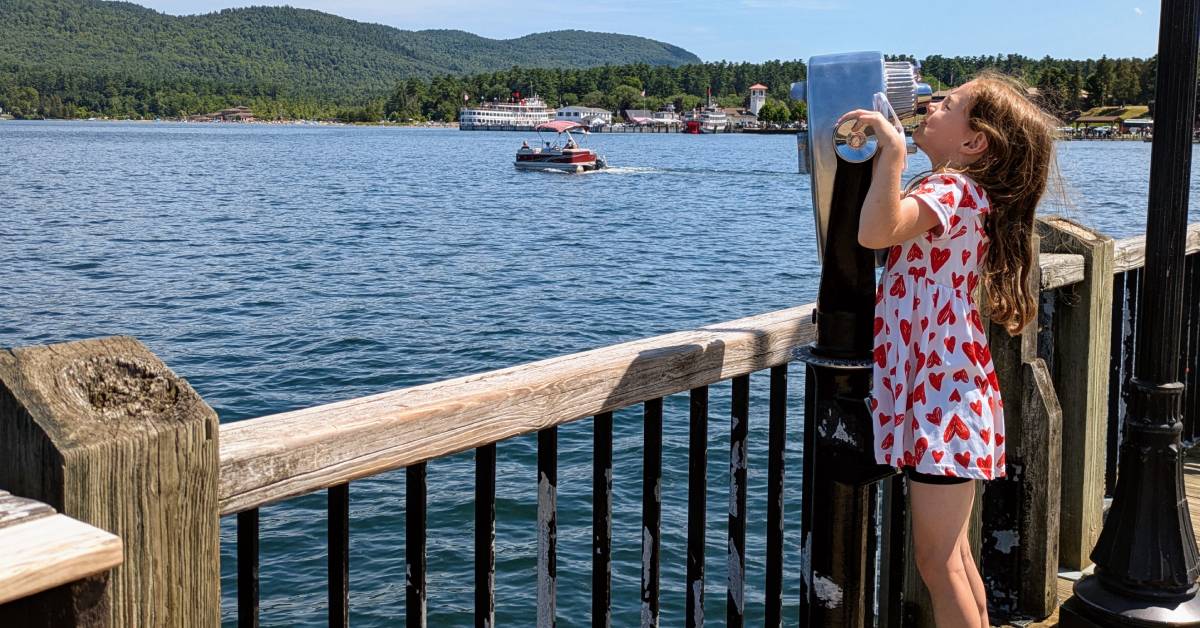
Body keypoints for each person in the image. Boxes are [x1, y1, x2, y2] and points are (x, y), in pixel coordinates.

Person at [839, 71, 1057, 628]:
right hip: (953, 398)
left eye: (949, 104)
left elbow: (877, 231)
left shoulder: (950, 189)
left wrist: (890, 150)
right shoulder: (965, 194)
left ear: (974, 141)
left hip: (942, 404)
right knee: (954, 560)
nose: (932, 105)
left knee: (937, 564)